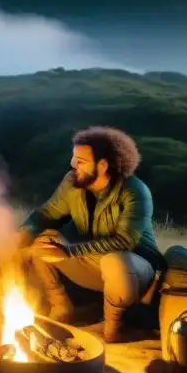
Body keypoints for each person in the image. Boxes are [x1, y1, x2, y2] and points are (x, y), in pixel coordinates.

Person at [14, 126, 164, 343]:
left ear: (102, 165)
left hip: (135, 272)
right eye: (74, 159)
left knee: (115, 261)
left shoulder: (135, 191)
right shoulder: (72, 182)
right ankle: (62, 307)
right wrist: (23, 234)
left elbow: (125, 241)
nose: (73, 165)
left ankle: (114, 329)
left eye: (80, 161)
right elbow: (47, 213)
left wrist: (68, 251)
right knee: (44, 241)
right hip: (94, 264)